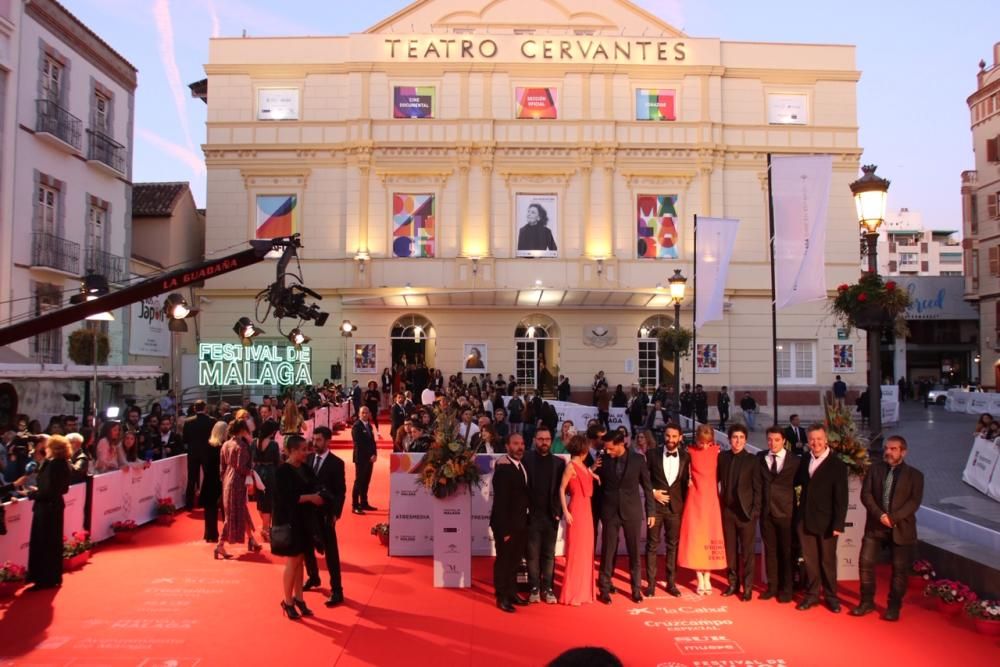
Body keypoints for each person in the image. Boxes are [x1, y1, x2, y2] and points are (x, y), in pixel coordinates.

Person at [852, 435, 924, 621]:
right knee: (865, 563)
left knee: (899, 570)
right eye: (886, 448)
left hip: (901, 528)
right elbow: (866, 495)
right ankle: (866, 602)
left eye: (893, 449)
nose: (888, 452)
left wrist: (893, 518)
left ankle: (893, 607)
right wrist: (881, 515)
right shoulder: (874, 470)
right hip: (875, 526)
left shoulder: (915, 476)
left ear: (903, 452)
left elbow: (914, 502)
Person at [795, 424, 849, 613]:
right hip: (805, 520)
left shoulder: (838, 465)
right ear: (808, 441)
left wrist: (838, 524)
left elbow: (842, 498)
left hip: (827, 523)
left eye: (819, 439)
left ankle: (831, 597)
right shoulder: (804, 461)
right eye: (812, 439)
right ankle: (811, 596)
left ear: (826, 440)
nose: (815, 443)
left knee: (827, 561)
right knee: (810, 561)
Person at [596, 431, 653, 604]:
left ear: (621, 444)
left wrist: (651, 511)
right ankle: (604, 588)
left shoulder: (638, 460)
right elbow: (596, 485)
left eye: (611, 448)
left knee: (635, 553)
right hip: (610, 512)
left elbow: (647, 487)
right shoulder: (603, 459)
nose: (608, 451)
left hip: (632, 512)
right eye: (606, 448)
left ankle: (635, 589)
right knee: (608, 552)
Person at [273, 435, 325, 620]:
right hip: (290, 521)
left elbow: (315, 485)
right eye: (302, 450)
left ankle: (299, 599)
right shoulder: (282, 472)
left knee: (300, 561)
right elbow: (287, 499)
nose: (306, 453)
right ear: (292, 450)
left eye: (306, 449)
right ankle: (287, 602)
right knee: (293, 561)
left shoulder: (305, 468)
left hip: (305, 521)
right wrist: (311, 497)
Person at [678, 424, 727, 595]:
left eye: (707, 442)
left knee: (710, 537)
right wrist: (687, 481)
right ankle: (700, 578)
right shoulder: (689, 453)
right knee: (696, 539)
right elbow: (682, 474)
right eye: (701, 442)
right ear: (696, 439)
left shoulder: (717, 452)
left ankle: (708, 577)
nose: (704, 445)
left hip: (711, 501)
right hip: (694, 500)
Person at [303, 426, 347, 607]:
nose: (315, 443)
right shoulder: (309, 459)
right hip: (308, 512)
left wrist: (336, 513)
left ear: (328, 441)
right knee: (307, 548)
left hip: (326, 514)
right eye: (314, 439)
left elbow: (341, 491)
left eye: (319, 440)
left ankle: (337, 590)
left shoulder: (336, 463)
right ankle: (313, 577)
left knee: (331, 553)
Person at [757, 425, 801, 603]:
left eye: (776, 440)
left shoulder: (795, 461)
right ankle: (772, 586)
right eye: (769, 439)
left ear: (784, 441)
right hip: (766, 512)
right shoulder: (760, 457)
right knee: (771, 552)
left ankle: (787, 588)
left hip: (787, 512)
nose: (772, 443)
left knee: (787, 552)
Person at [645, 423, 689, 598]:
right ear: (664, 436)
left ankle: (671, 583)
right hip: (655, 508)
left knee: (673, 547)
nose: (670, 440)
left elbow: (685, 484)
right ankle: (651, 585)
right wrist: (653, 493)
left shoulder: (686, 457)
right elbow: (644, 480)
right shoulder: (651, 455)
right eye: (668, 436)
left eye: (674, 436)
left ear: (680, 438)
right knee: (652, 545)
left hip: (675, 509)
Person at [523, 426, 566, 604]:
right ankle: (534, 588)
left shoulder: (559, 462)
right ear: (534, 440)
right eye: (540, 439)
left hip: (551, 516)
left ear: (551, 441)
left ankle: (548, 588)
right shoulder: (526, 458)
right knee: (532, 555)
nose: (544, 443)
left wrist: (558, 513)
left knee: (549, 555)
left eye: (547, 439)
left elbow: (561, 491)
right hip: (531, 516)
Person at [718, 424, 761, 601]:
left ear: (745, 440)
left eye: (741, 437)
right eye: (735, 437)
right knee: (731, 552)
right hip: (728, 511)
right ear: (729, 440)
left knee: (748, 552)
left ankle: (747, 587)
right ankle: (733, 584)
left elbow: (758, 488)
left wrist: (754, 511)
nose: (738, 441)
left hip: (746, 514)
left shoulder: (752, 460)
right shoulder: (722, 458)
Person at [490, 432, 531, 612]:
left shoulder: (521, 466)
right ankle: (502, 597)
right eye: (515, 444)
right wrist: (504, 530)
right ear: (507, 447)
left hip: (521, 524)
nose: (519, 447)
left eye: (522, 443)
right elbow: (500, 503)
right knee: (504, 561)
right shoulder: (503, 469)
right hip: (506, 526)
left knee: (514, 561)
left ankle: (512, 592)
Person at [558, 434, 599, 606]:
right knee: (576, 551)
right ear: (583, 449)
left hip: (587, 510)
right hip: (576, 509)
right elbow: (561, 488)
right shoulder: (571, 466)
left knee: (586, 551)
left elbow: (586, 474)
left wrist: (593, 474)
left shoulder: (582, 465)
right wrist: (566, 511)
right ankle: (573, 593)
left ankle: (584, 593)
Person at [25, 435, 71, 590]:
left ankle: (43, 578)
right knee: (53, 542)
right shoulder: (64, 464)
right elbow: (61, 488)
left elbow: (47, 490)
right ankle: (52, 576)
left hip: (46, 508)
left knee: (43, 542)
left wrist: (32, 494)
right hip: (56, 506)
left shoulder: (52, 465)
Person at [217, 419, 261, 558]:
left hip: (227, 481)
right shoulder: (241, 446)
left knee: (241, 511)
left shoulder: (225, 444)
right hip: (237, 482)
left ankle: (251, 539)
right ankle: (219, 545)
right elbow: (241, 467)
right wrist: (250, 471)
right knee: (233, 514)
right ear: (242, 430)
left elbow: (222, 468)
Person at [183, 400, 215, 510]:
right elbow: (214, 438)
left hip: (192, 453)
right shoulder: (212, 421)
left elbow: (185, 439)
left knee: (191, 478)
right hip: (208, 453)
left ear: (194, 408)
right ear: (205, 408)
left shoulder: (188, 422)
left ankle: (189, 505)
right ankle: (209, 502)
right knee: (209, 478)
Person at [253, 420, 282, 541]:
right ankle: (265, 529)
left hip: (257, 472)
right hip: (270, 473)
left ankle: (265, 528)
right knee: (268, 502)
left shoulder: (254, 442)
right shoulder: (273, 444)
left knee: (260, 501)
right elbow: (277, 461)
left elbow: (251, 458)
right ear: (272, 432)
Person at [351, 406, 378, 515]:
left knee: (366, 481)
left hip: (370, 458)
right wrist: (369, 455)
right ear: (359, 414)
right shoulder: (356, 426)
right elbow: (359, 444)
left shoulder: (369, 426)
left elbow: (372, 442)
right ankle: (355, 505)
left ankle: (364, 502)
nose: (365, 415)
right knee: (359, 481)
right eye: (363, 413)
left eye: (367, 413)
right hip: (361, 458)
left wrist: (375, 454)